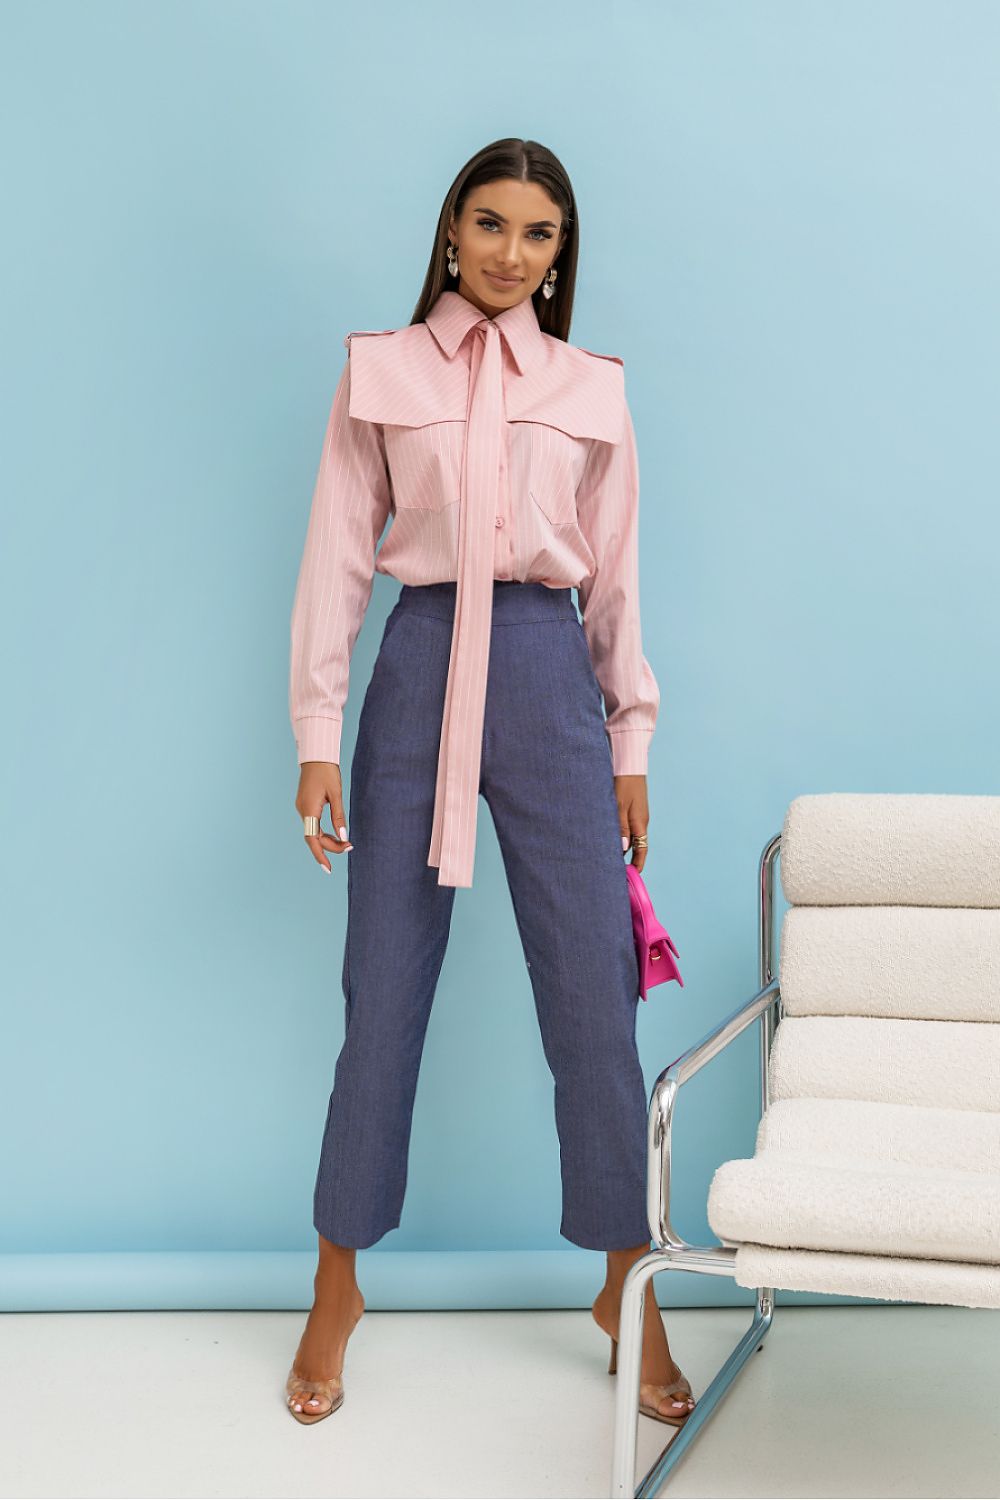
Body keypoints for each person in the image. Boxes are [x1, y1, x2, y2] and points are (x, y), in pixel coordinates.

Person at [283, 136, 696, 1428]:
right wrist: (316, 729)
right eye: (490, 223)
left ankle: (625, 1281)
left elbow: (616, 576)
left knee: (594, 997)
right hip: (417, 670)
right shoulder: (382, 372)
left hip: (545, 672)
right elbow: (336, 552)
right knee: (382, 989)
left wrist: (629, 740)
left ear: (561, 253)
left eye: (538, 233)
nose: (511, 253)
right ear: (450, 232)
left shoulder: (590, 389)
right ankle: (337, 1282)